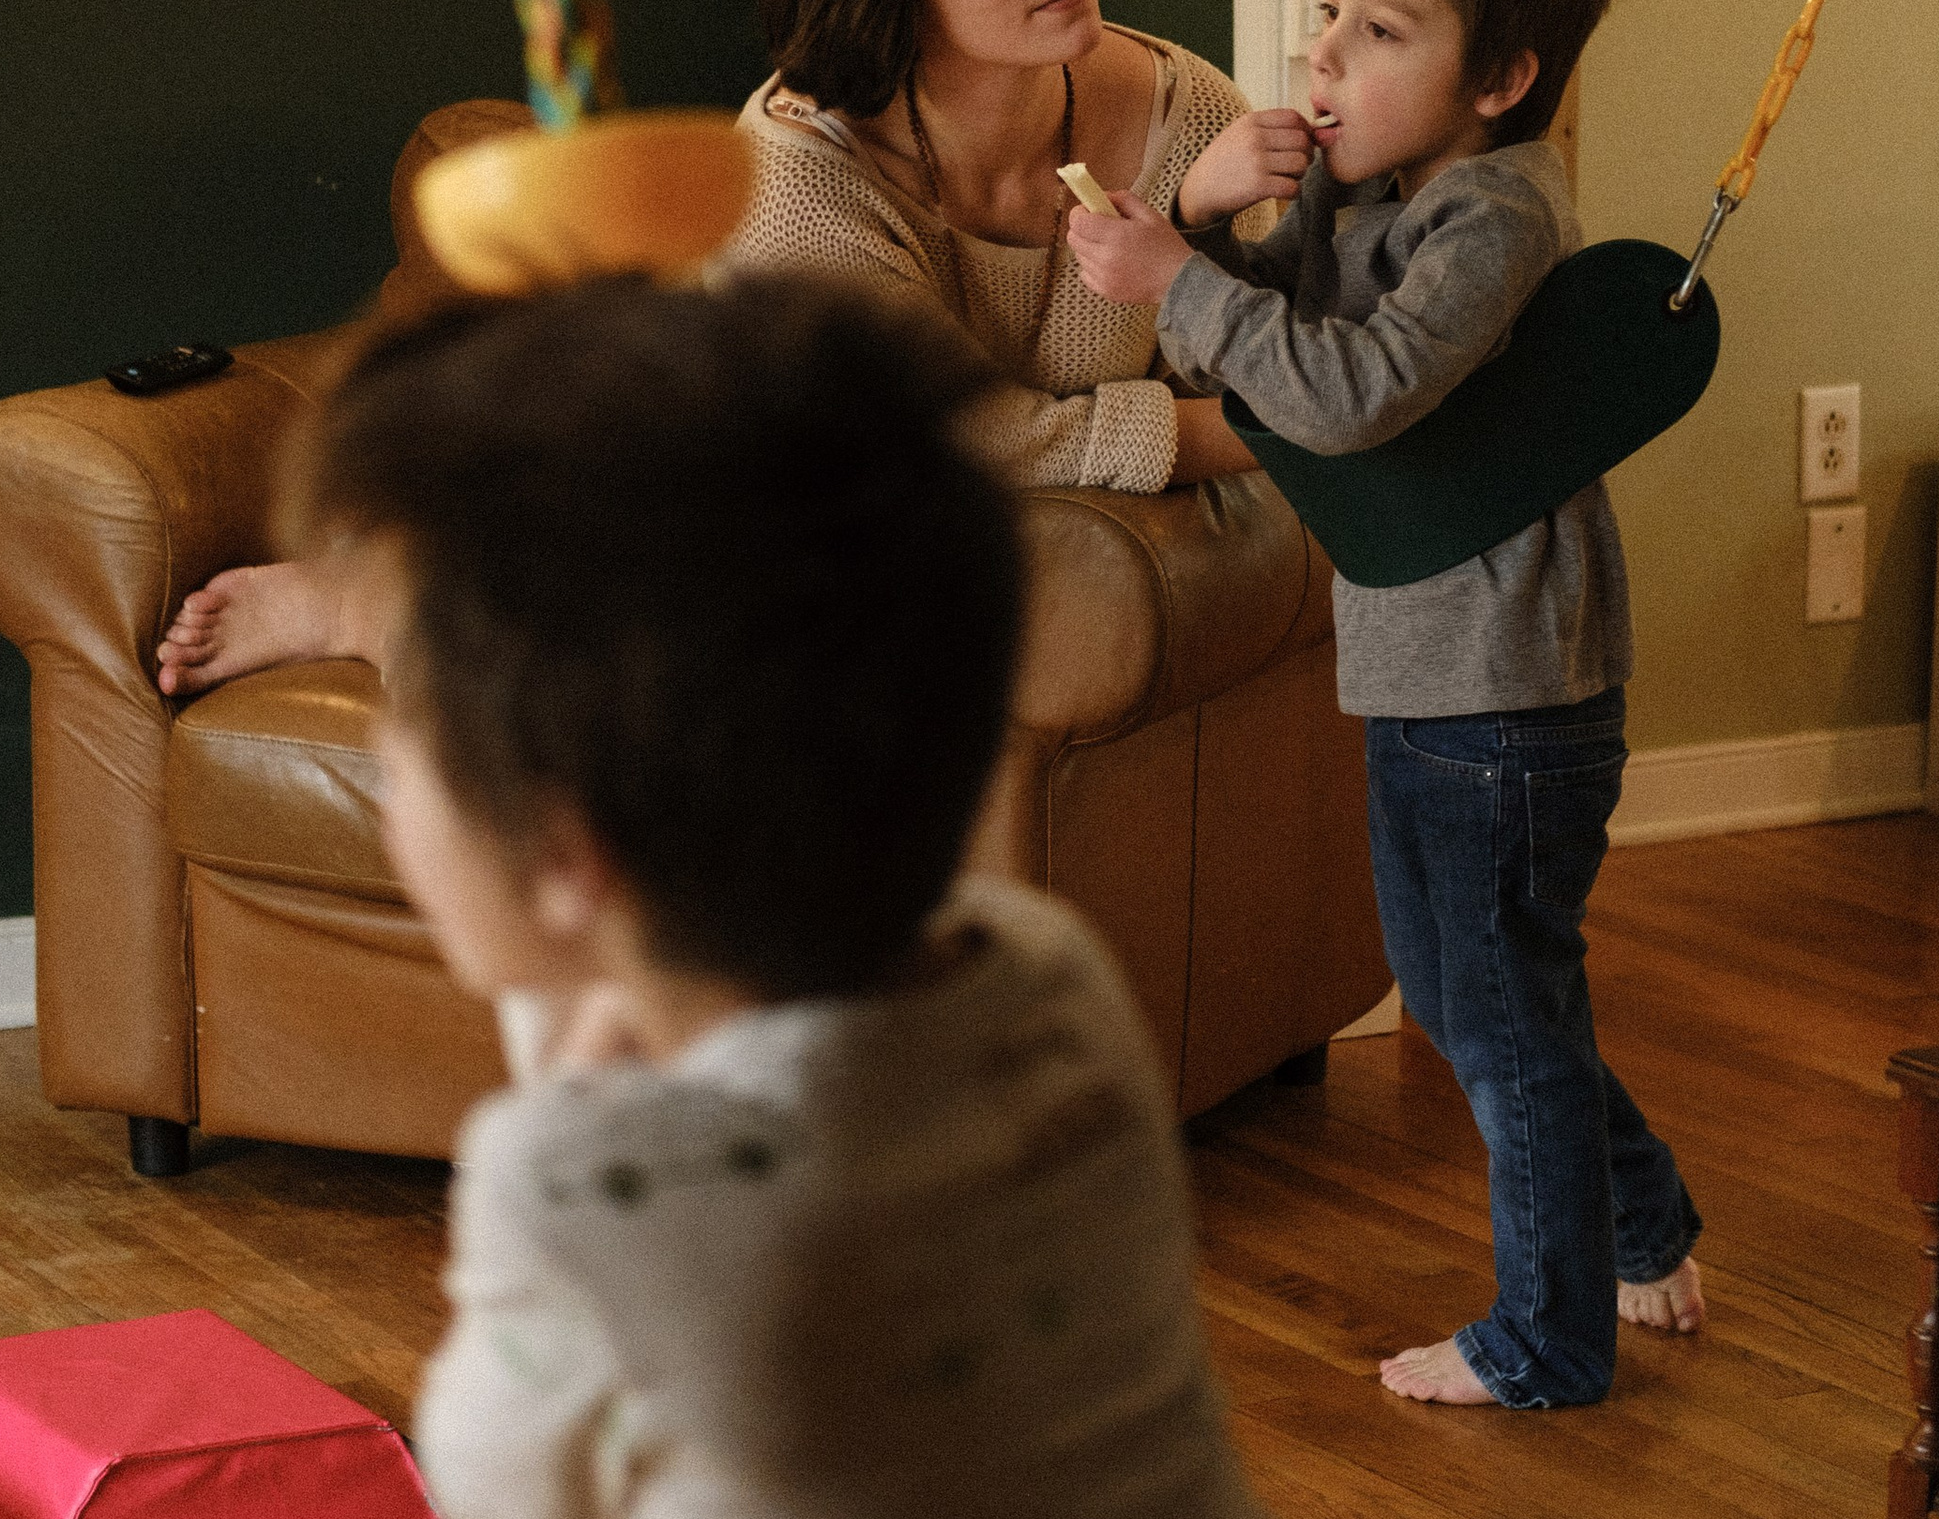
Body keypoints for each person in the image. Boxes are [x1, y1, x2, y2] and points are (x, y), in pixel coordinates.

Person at [287, 272, 1265, 1519]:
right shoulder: (1047, 972)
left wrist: (576, 1108)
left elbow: (498, 1495)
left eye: (397, 730)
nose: (385, 764)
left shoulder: (580, 1188)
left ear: (567, 851)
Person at [155, 0, 1259, 696]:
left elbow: (1290, 332)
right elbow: (952, 434)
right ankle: (367, 594)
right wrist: (1249, 432)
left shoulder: (1189, 113)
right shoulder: (797, 167)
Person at [1066, 0, 1704, 1414]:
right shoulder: (1380, 185)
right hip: (1427, 681)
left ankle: (1549, 1340)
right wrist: (1208, 222)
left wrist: (1179, 278)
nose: (1325, 56)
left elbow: (1346, 396)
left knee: (1495, 1015)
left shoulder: (1493, 216)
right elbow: (1250, 364)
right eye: (1330, 14)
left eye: (1380, 31)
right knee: (1481, 995)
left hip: (1507, 695)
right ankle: (1642, 1214)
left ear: (1503, 78)